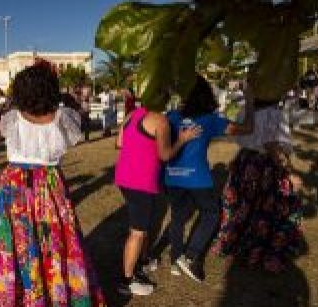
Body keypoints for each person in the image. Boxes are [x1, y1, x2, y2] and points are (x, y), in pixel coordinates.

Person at [0, 62, 106, 306]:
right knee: (53, 244)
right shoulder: (64, 118)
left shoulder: (11, 119)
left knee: (14, 246)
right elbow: (72, 137)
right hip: (50, 187)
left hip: (14, 188)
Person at [163, 76, 255, 282]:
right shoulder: (210, 119)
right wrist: (249, 101)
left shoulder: (171, 116)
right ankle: (190, 256)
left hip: (173, 176)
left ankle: (176, 260)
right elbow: (247, 129)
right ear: (207, 95)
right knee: (211, 214)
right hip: (197, 178)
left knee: (177, 217)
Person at [114, 90, 201, 296]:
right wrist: (182, 139)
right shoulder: (160, 121)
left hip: (124, 178)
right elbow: (165, 155)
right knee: (138, 231)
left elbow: (119, 143)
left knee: (143, 224)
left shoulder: (131, 115)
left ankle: (143, 260)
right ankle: (126, 280)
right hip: (140, 182)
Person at [212, 98, 304, 273]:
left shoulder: (246, 110)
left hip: (246, 161)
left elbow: (241, 138)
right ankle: (259, 253)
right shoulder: (274, 114)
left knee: (244, 206)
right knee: (266, 209)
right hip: (265, 166)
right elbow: (271, 145)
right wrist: (289, 172)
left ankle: (234, 245)